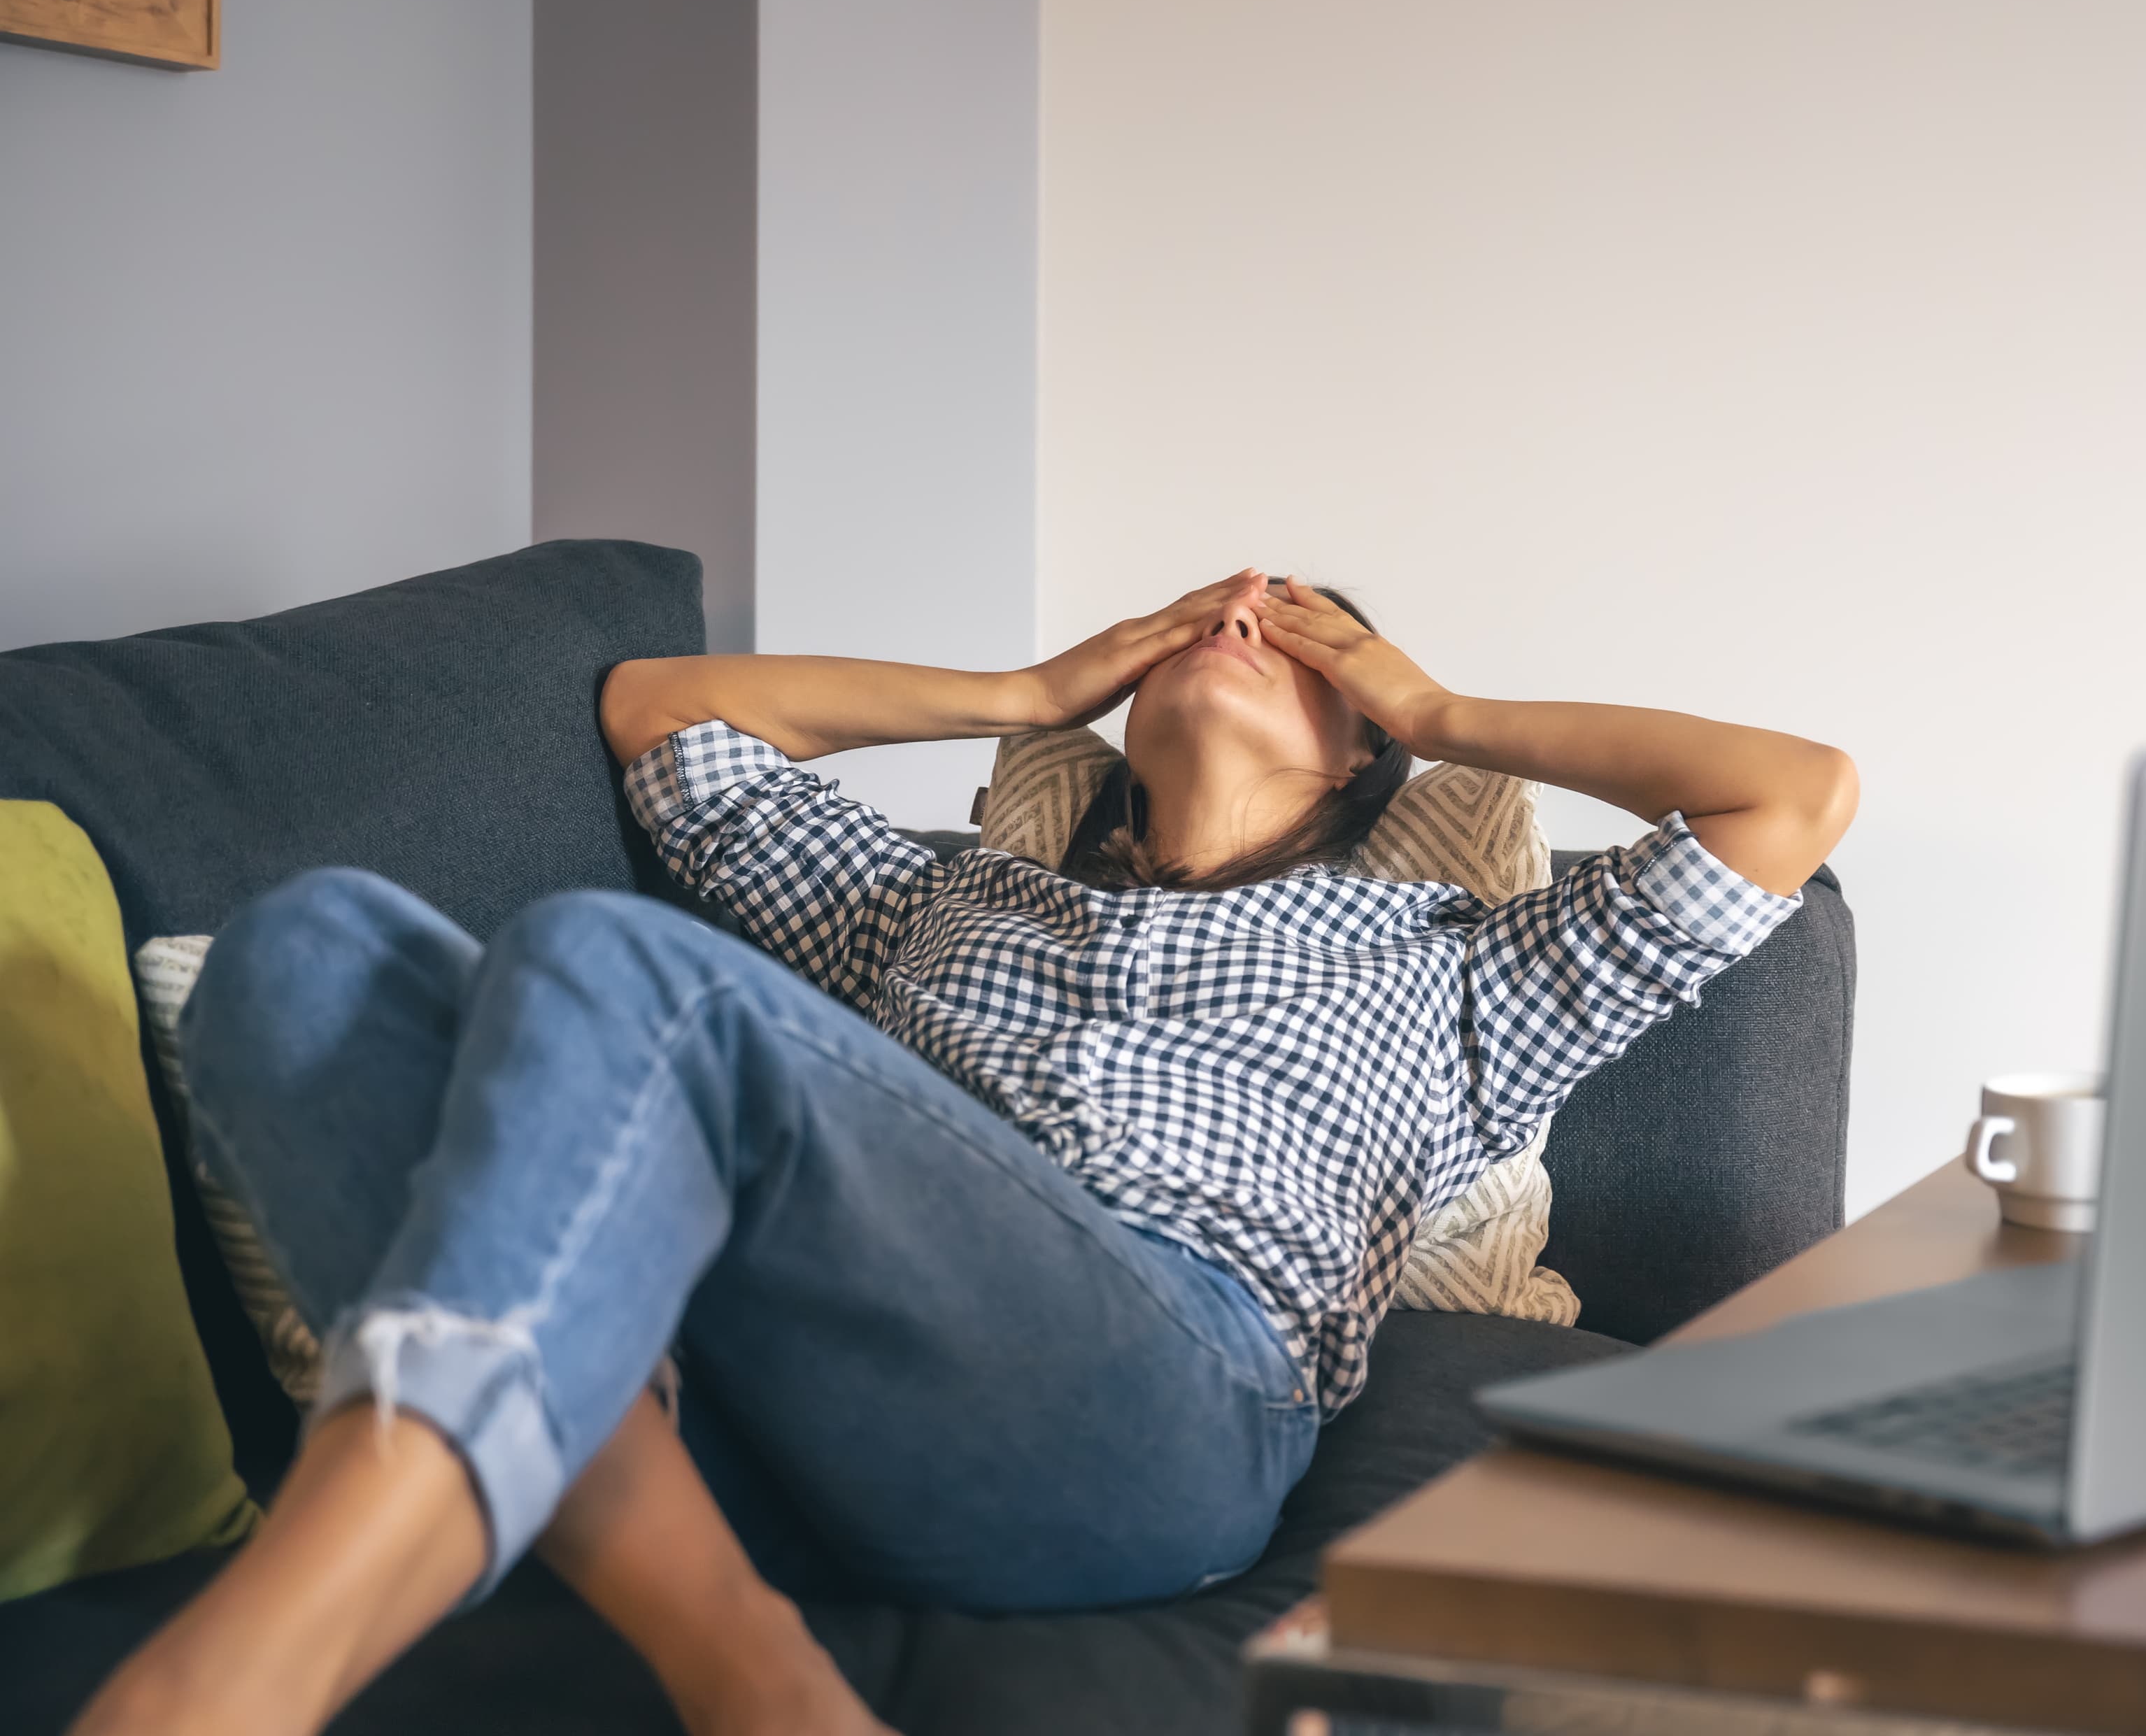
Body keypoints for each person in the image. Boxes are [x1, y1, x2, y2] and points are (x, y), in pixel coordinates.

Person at [75, 570, 1857, 1736]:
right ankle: (736, 1638)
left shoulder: (1460, 965)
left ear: (1360, 749)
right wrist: (1026, 686)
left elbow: (1792, 796)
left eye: (1294, 625)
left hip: (1162, 1401)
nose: (1238, 610)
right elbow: (659, 713)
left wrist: (1442, 706)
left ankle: (267, 1668)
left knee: (604, 960)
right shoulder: (937, 900)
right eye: (1205, 612)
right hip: (792, 1412)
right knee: (303, 951)